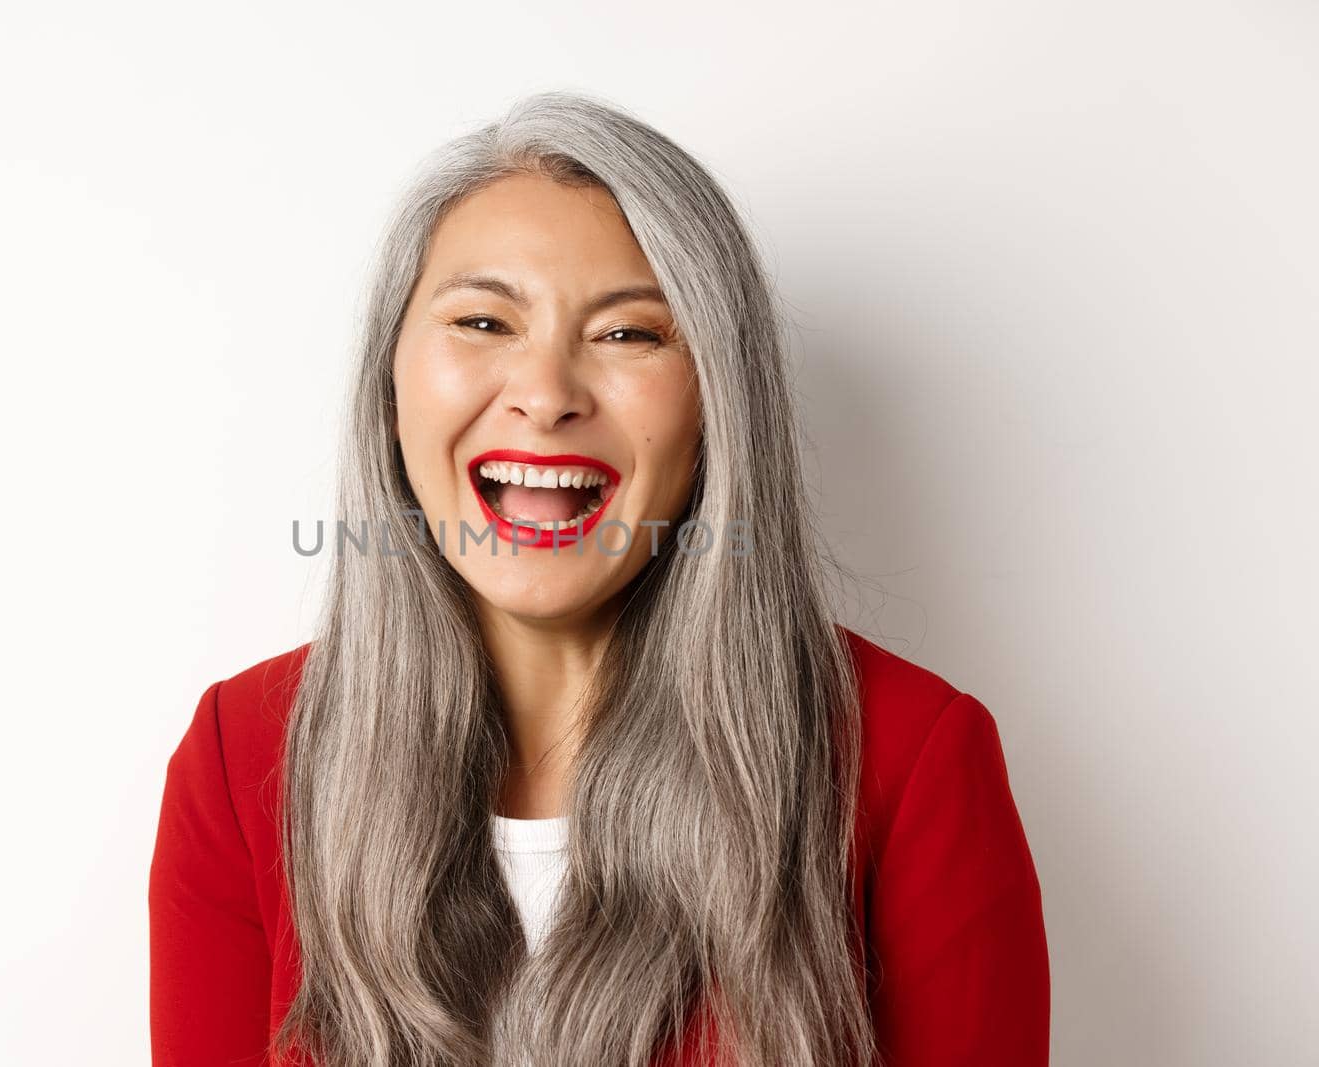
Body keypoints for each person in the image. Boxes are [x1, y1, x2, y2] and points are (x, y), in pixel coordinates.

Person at [149, 90, 1049, 1067]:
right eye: (484, 321)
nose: (544, 395)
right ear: (390, 384)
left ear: (718, 404)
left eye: (629, 334)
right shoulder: (242, 761)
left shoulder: (908, 759)